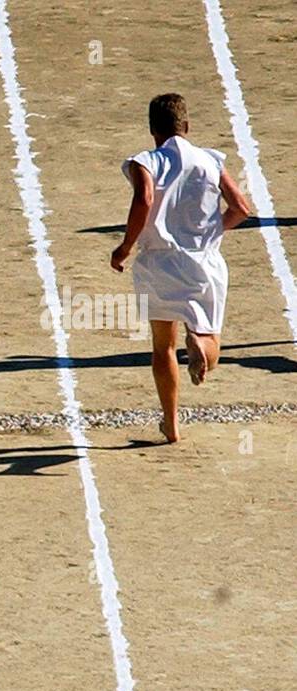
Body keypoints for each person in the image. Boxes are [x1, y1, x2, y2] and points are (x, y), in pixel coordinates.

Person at [111, 93, 251, 443]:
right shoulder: (209, 160)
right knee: (210, 342)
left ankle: (171, 423)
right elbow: (241, 207)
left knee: (162, 348)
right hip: (203, 262)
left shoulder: (146, 161)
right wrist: (214, 229)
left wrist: (125, 247)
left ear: (152, 129)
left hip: (157, 262)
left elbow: (143, 199)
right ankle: (199, 343)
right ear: (186, 127)